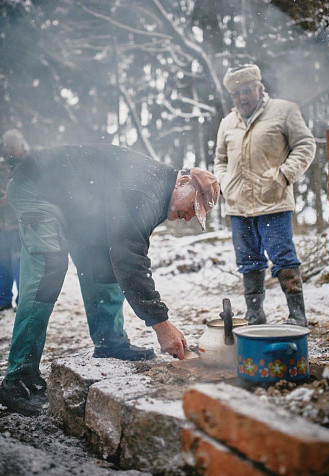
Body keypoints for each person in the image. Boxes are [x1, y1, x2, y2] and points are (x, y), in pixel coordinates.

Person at [0, 144, 220, 415]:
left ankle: (109, 341)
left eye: (195, 215)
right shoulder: (145, 189)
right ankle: (18, 378)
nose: (188, 217)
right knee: (49, 266)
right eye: (192, 207)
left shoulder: (157, 192)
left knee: (101, 261)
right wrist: (161, 325)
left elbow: (123, 252)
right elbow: (130, 260)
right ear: (183, 182)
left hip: (74, 205)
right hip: (37, 186)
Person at [214, 64, 316, 328]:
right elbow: (220, 160)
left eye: (246, 91)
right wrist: (225, 182)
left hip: (274, 202)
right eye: (236, 94)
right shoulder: (227, 122)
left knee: (283, 257)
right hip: (238, 207)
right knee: (247, 261)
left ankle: (297, 314)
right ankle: (254, 315)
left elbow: (305, 145)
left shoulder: (284, 111)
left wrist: (284, 175)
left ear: (259, 88)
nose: (242, 98)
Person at [0, 130, 26, 311]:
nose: (8, 149)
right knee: (3, 264)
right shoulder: (2, 167)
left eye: (12, 146)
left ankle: (22, 301)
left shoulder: (28, 165)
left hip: (20, 224)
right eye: (6, 146)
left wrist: (10, 198)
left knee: (19, 264)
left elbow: (31, 192)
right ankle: (4, 300)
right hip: (2, 225)